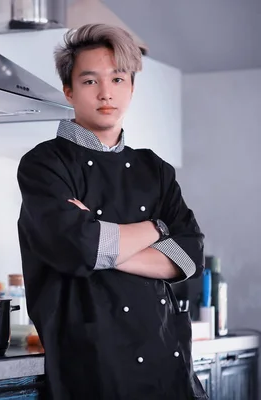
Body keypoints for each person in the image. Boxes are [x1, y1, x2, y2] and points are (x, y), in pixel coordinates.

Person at [16, 23, 208, 400]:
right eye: (90, 81)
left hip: (167, 361)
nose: (106, 93)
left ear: (132, 88)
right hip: (91, 366)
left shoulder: (155, 170)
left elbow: (189, 256)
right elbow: (78, 247)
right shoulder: (44, 164)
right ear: (69, 90)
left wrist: (103, 242)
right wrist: (157, 228)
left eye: (118, 79)